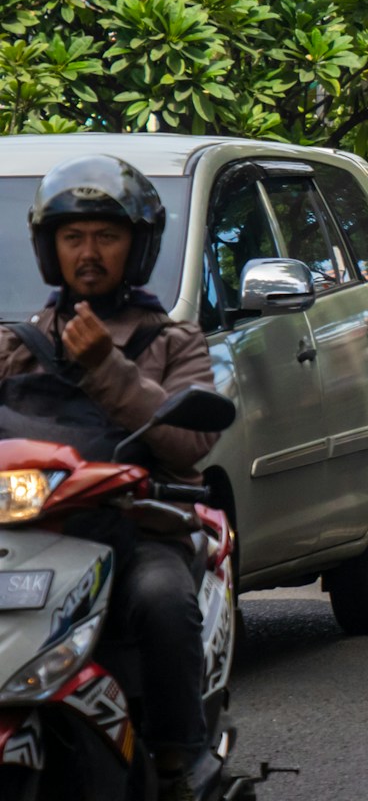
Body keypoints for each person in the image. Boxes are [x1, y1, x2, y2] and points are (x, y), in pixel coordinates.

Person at [0, 156, 221, 800]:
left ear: (137, 247)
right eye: (73, 237)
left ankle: (179, 757)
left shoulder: (172, 341)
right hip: (32, 530)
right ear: (50, 249)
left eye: (107, 236)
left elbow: (188, 441)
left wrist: (105, 365)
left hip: (138, 528)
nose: (89, 253)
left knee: (161, 601)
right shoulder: (16, 342)